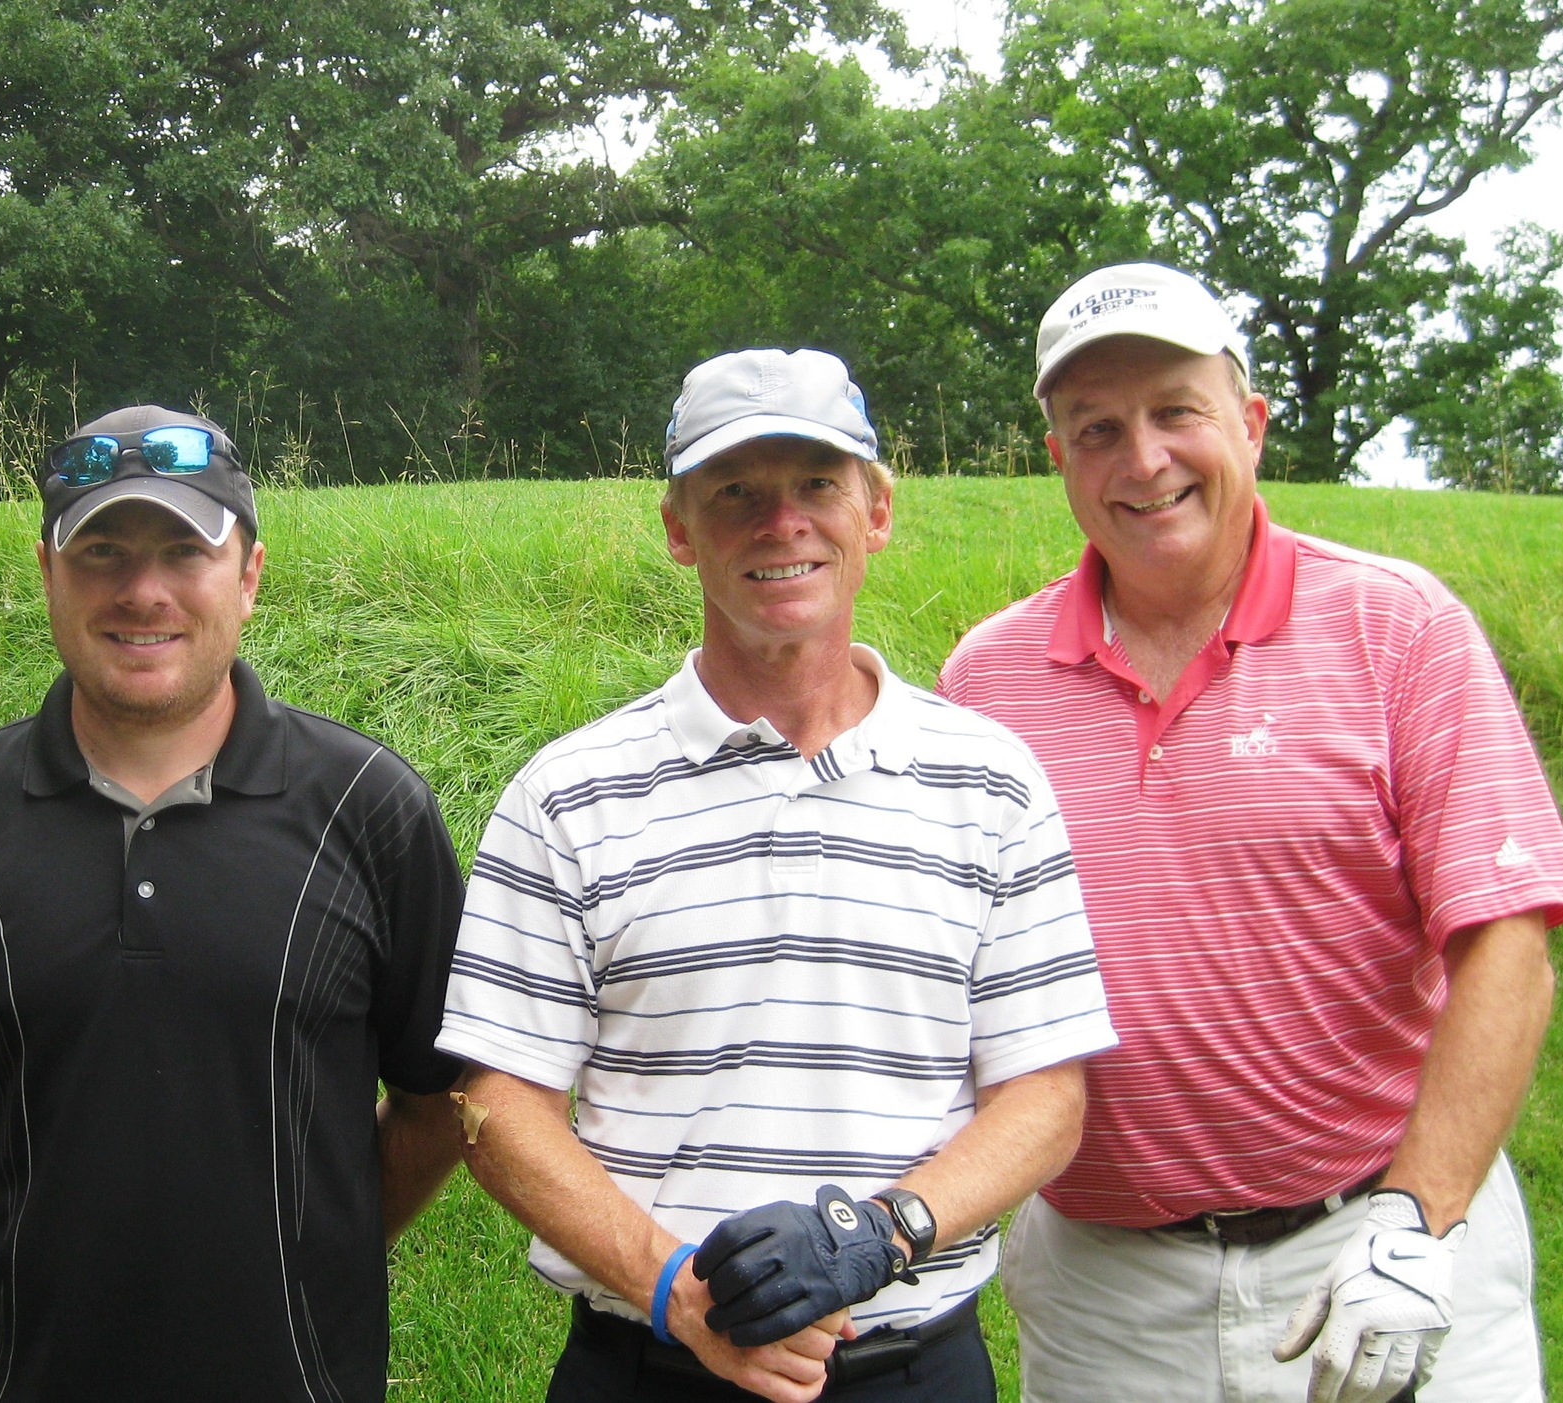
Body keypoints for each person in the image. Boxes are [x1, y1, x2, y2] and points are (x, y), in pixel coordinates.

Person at [939, 262, 1563, 1403]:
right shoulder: (986, 677)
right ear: (1058, 457)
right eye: (1096, 427)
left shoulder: (1399, 626)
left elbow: (1506, 945)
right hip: (1108, 1296)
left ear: (1247, 423)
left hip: (1383, 1240)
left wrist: (1418, 1218)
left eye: (1174, 412)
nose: (1141, 460)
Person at [439, 349, 1119, 1403]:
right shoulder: (566, 794)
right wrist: (678, 1290)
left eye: (816, 484)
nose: (780, 522)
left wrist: (883, 1231)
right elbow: (497, 1102)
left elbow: (1045, 1095)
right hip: (648, 1362)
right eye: (736, 493)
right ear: (678, 526)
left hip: (913, 1365)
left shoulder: (992, 782)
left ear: (876, 508)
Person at [0, 404, 468, 1402]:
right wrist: (74, 1228)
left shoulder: (370, 808)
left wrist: (306, 1238)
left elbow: (440, 1104)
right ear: (47, 571)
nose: (142, 591)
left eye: (185, 549)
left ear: (250, 573)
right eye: (101, 553)